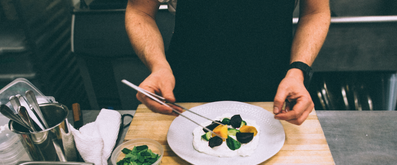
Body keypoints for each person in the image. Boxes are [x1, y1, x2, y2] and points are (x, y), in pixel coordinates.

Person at [125, 0, 330, 125]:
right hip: (186, 93)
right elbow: (139, 10)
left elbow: (315, 11)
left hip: (273, 94)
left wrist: (298, 70)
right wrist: (158, 66)